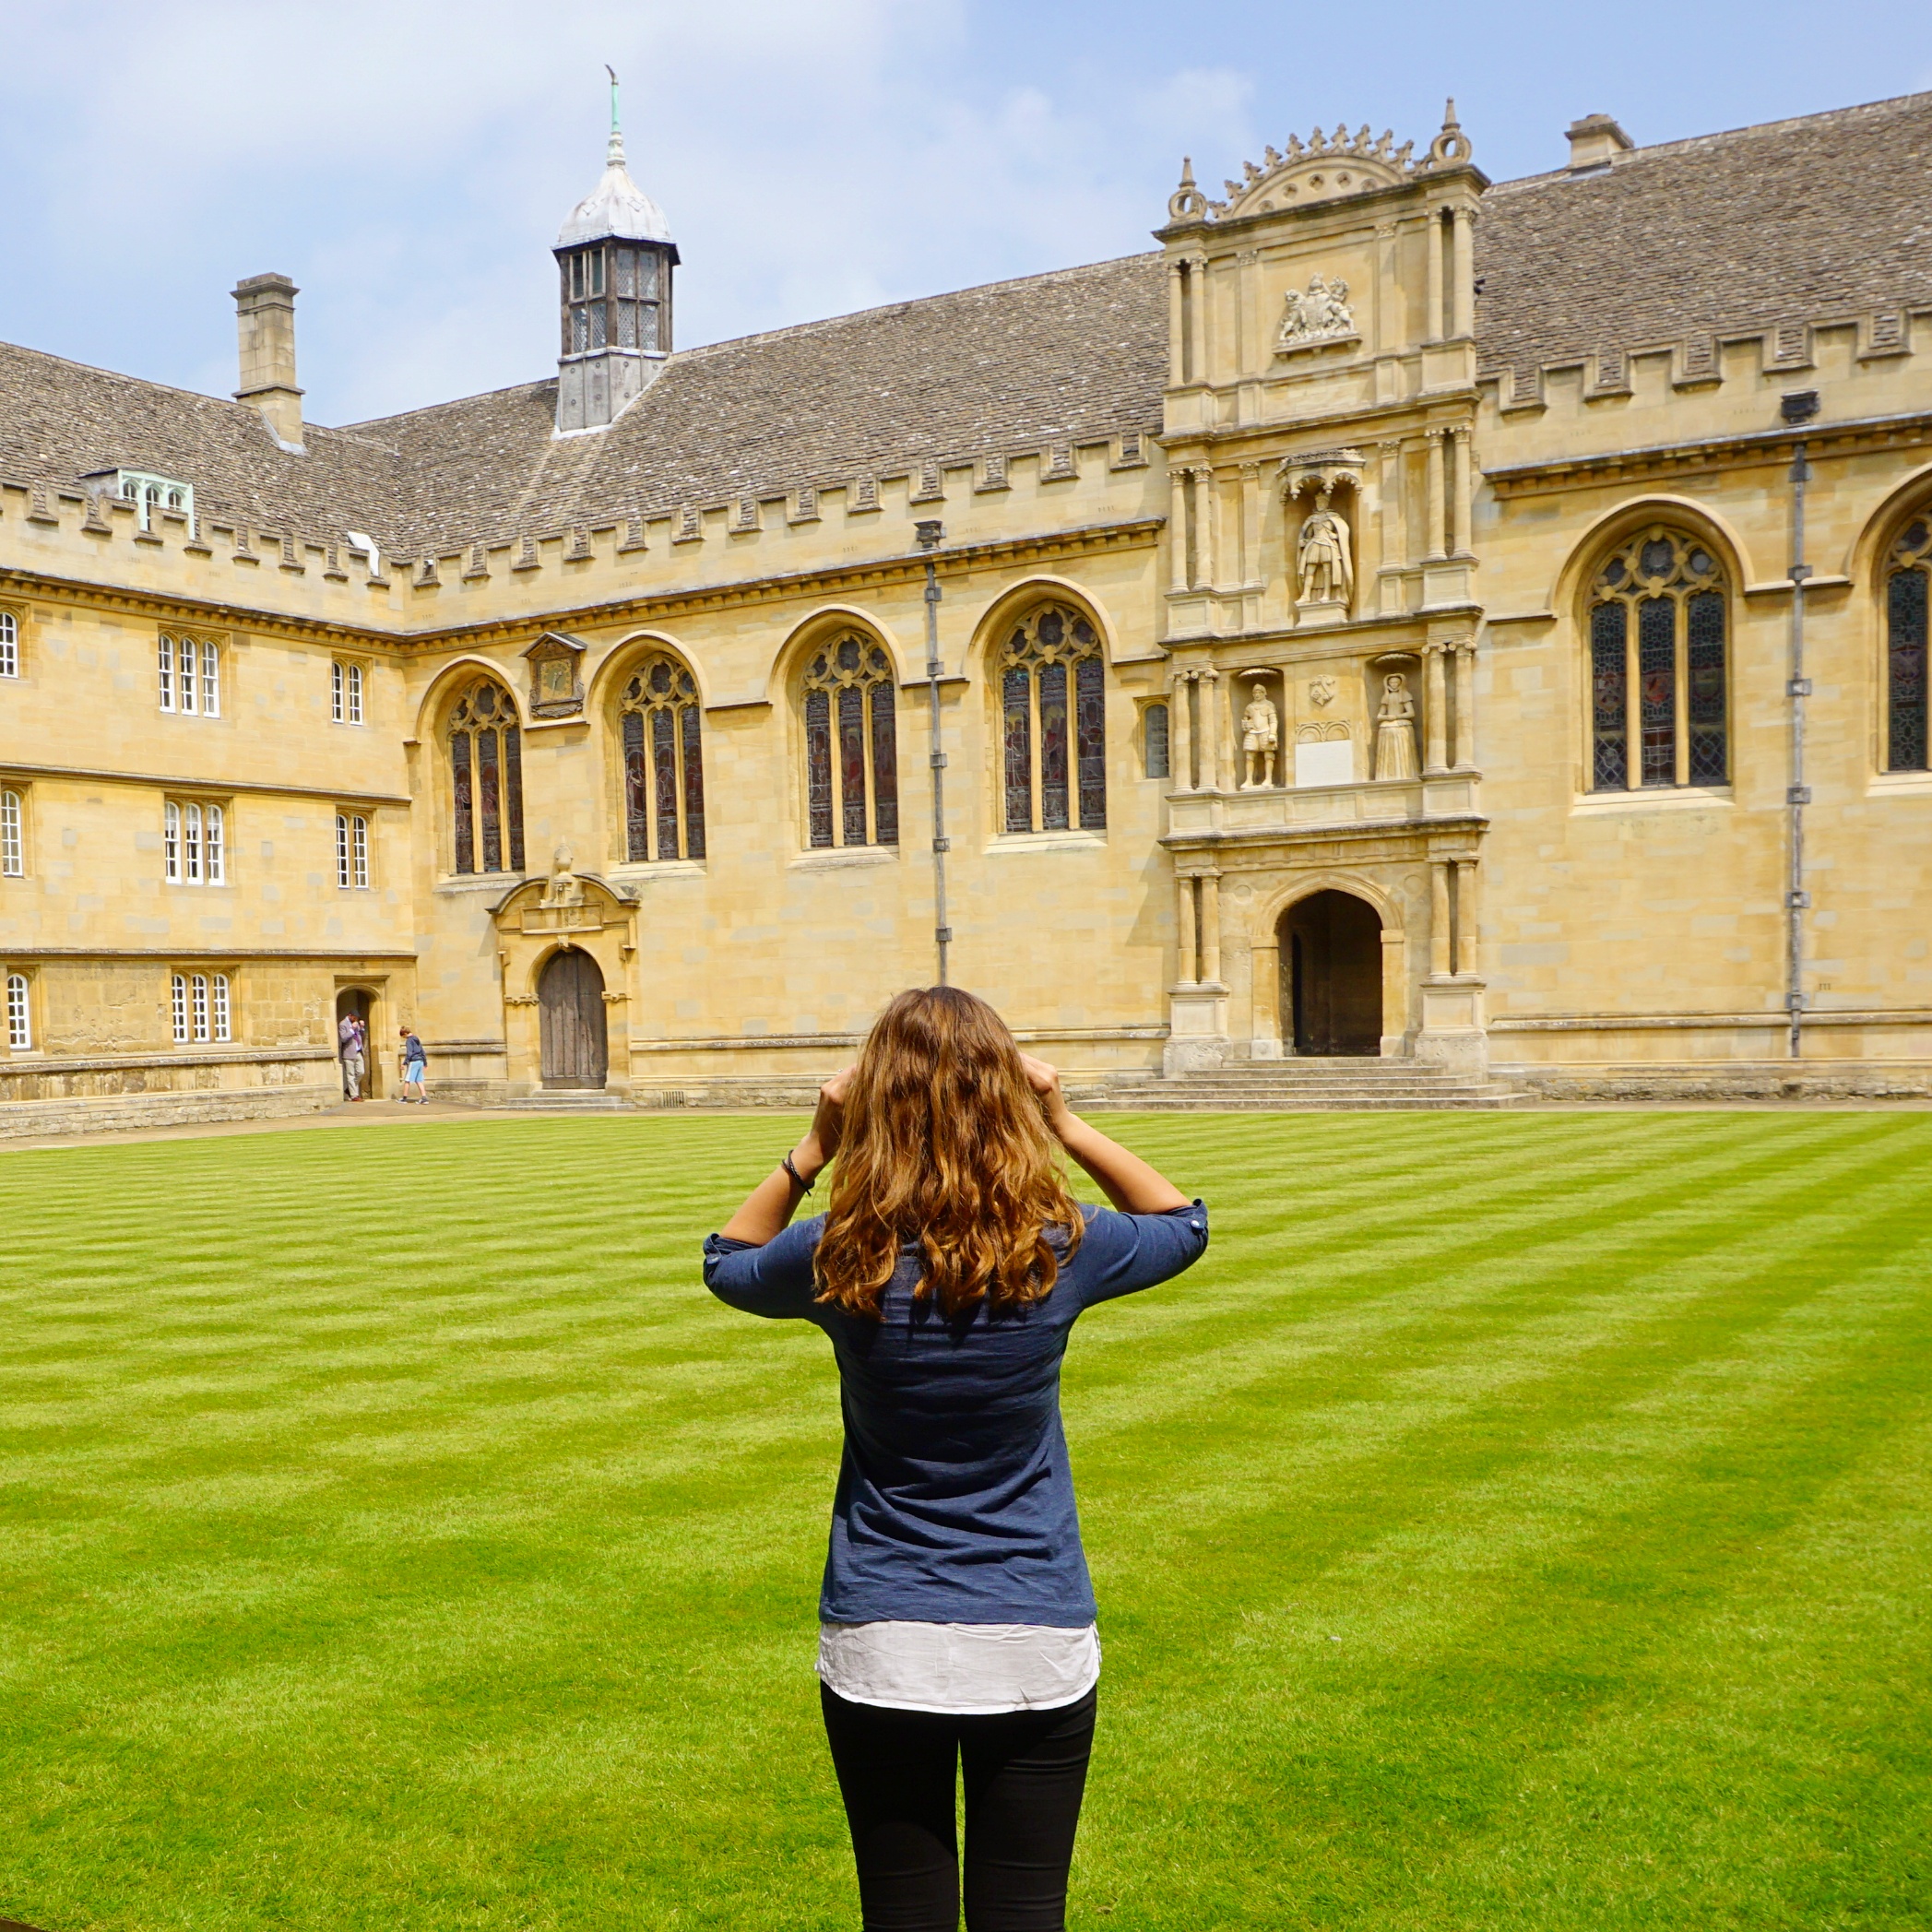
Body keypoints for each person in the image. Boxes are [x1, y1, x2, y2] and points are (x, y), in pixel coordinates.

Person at [704, 987, 1208, 1932]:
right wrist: (1062, 1121)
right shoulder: (1061, 1244)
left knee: (905, 1917)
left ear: (873, 1105)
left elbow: (726, 1260)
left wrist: (813, 1147)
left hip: (882, 1634)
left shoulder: (837, 1253)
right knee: (1025, 1915)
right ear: (1005, 1097)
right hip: (1033, 1627)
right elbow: (1183, 1224)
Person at [338, 1010, 366, 1101]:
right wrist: (351, 1029)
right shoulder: (343, 1024)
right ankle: (354, 1095)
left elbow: (361, 1036)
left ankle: (349, 1090)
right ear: (349, 1015)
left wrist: (361, 1028)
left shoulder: (356, 1023)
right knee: (350, 1075)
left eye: (357, 1018)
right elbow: (343, 1038)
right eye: (354, 1017)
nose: (356, 1019)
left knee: (361, 1072)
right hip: (348, 1053)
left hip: (358, 1051)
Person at [397, 1025, 428, 1102]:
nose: (404, 1038)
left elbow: (409, 1053)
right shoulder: (416, 1039)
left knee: (407, 1080)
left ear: (405, 1034)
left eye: (403, 1036)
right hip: (420, 1061)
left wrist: (404, 1063)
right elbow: (422, 1051)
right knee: (418, 1080)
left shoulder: (409, 1040)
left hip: (413, 1061)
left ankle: (404, 1098)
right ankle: (424, 1098)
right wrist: (425, 1063)